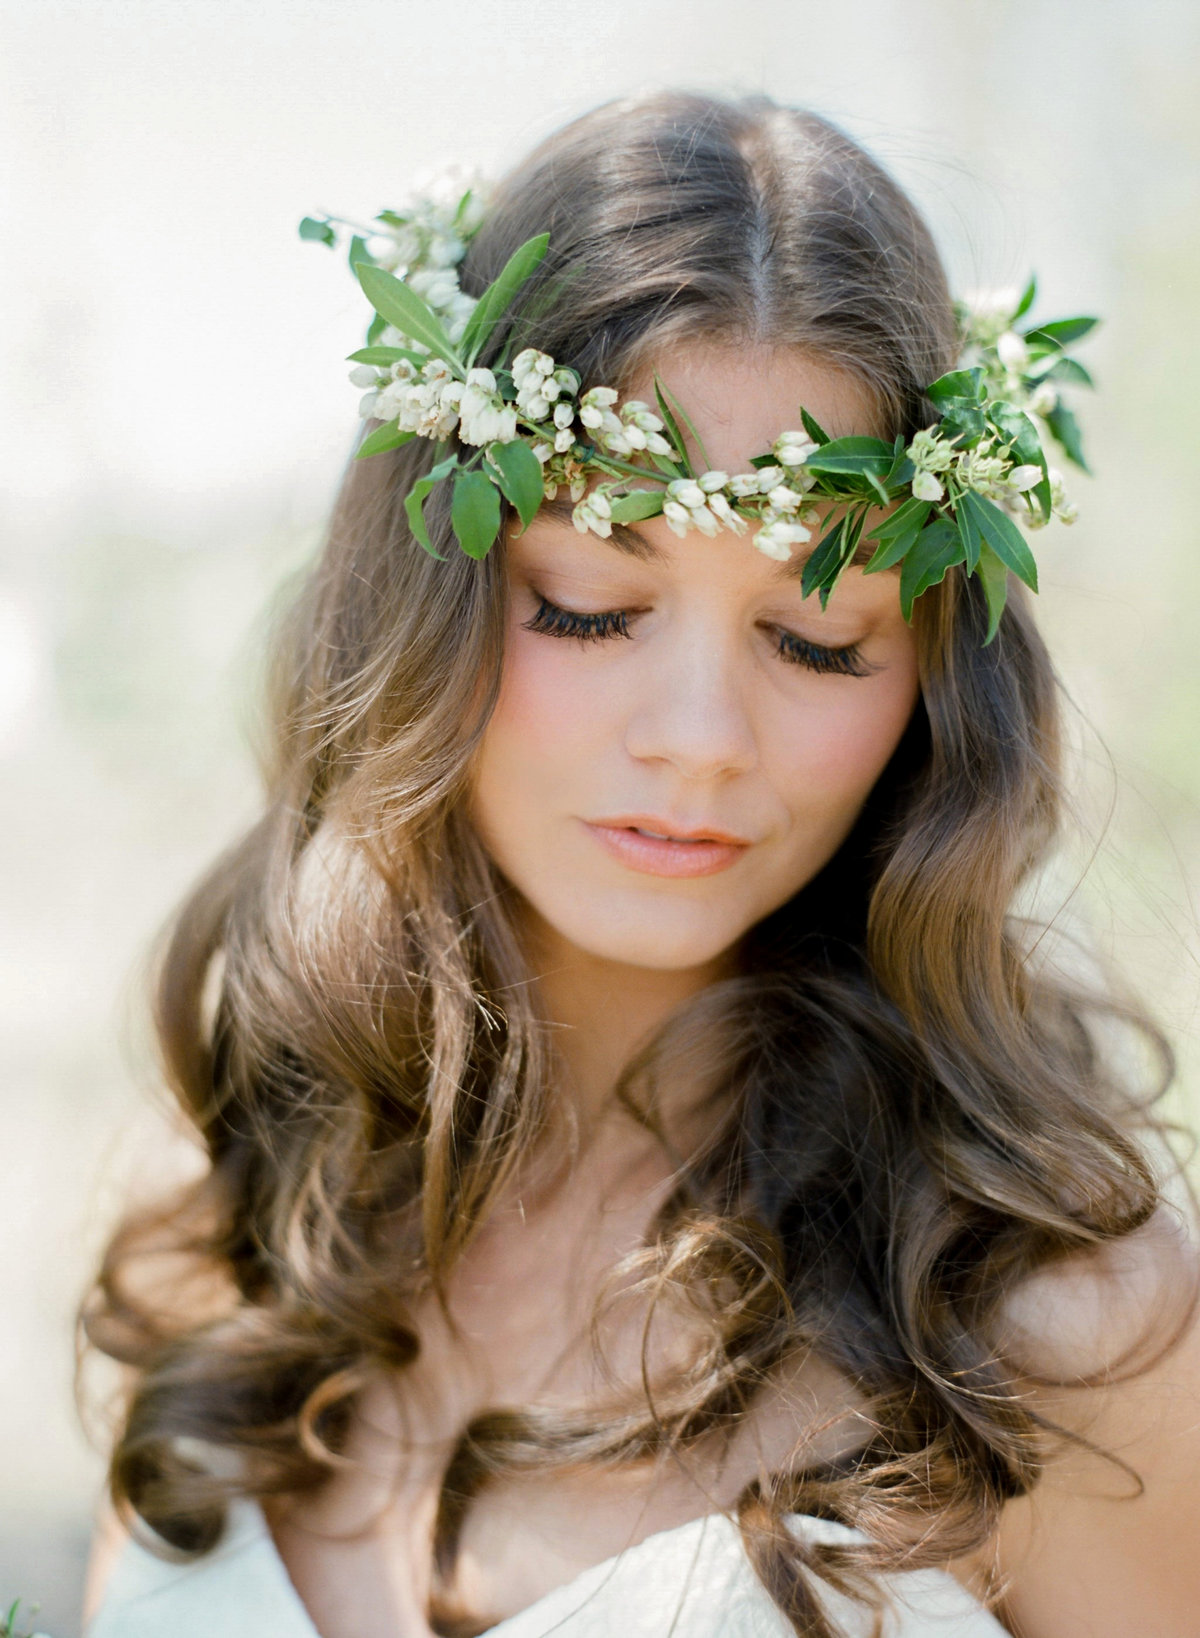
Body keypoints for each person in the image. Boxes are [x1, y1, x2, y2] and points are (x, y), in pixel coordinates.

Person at [79, 90, 1200, 1638]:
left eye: (816, 638)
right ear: (425, 598)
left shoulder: (1066, 1330)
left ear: (935, 678)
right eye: (592, 605)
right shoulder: (227, 1225)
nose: (699, 740)